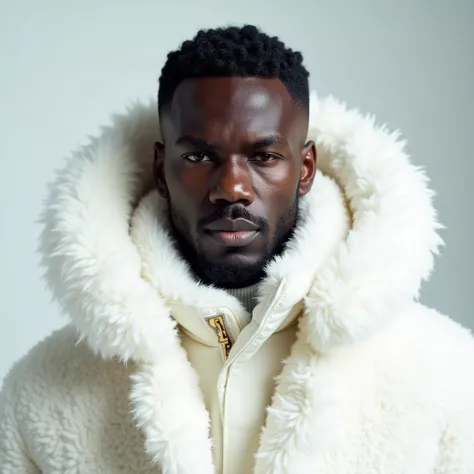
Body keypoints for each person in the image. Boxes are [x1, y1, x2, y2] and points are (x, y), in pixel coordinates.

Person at [0, 24, 473, 474]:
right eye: (200, 156)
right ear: (162, 169)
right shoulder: (41, 391)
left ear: (305, 168)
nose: (232, 188)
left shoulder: (446, 377)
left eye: (264, 156)